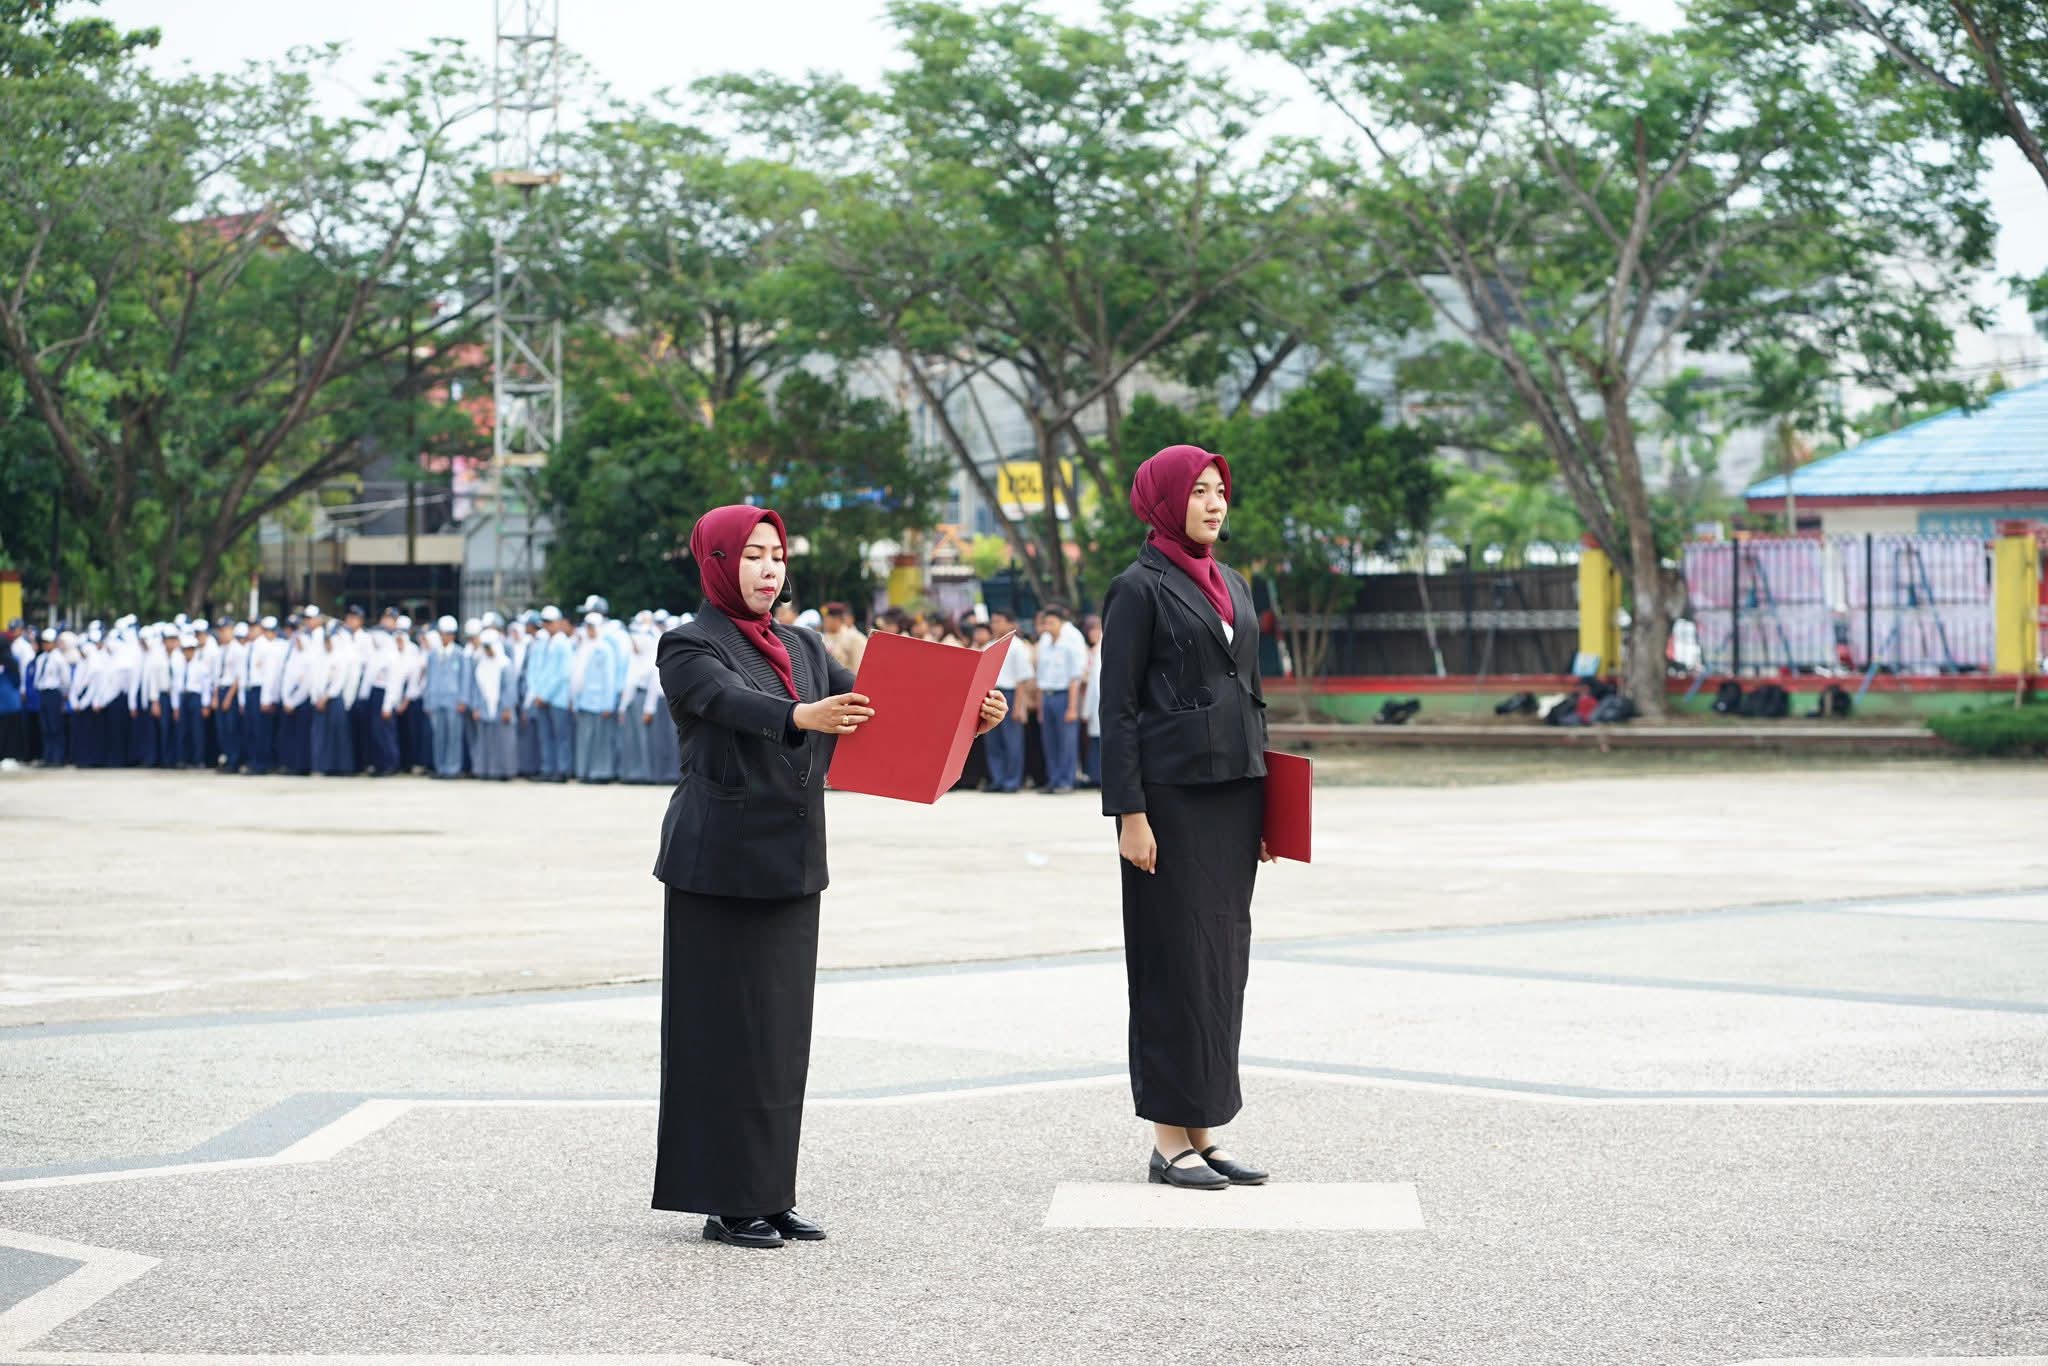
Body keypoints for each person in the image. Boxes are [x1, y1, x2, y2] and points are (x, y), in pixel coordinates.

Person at [650, 504, 1004, 1249]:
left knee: (781, 1037)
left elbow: (883, 705)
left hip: (791, 861)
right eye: (750, 555)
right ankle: (724, 1199)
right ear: (717, 563)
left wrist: (970, 711)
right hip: (715, 866)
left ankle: (769, 1193)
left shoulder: (804, 642)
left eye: (777, 555)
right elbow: (726, 703)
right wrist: (800, 716)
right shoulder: (688, 645)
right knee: (721, 1034)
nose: (769, 569)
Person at [1098, 443, 1275, 1193]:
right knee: (1173, 961)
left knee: (1219, 963)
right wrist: (1129, 814)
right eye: (1198, 491)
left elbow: (1252, 694)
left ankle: (1203, 1131)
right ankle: (1168, 1137)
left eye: (1219, 490)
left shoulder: (1232, 582)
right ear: (1165, 500)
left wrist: (1269, 807)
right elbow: (1120, 711)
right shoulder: (1137, 589)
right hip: (1168, 804)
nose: (1213, 502)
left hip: (1234, 799)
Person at [1033, 604, 1086, 794]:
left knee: (1066, 741)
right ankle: (1053, 779)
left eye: (1051, 623)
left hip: (1064, 695)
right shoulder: (1045, 641)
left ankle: (1066, 780)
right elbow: (1040, 676)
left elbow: (1075, 677)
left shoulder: (1071, 640)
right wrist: (1040, 706)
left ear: (1061, 623)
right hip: (1047, 695)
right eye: (1045, 623)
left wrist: (1072, 707)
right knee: (1050, 741)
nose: (1047, 626)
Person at [984, 608, 1033, 793]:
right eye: (993, 621)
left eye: (999, 621)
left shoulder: (1017, 646)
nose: (995, 624)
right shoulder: (988, 645)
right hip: (989, 694)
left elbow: (1022, 679)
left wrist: (1019, 706)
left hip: (1010, 694)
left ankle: (1012, 781)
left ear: (1010, 623)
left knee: (1012, 741)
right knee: (993, 741)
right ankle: (997, 778)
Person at [819, 602, 866, 673]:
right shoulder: (824, 638)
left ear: (837, 619)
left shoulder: (854, 638)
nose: (824, 623)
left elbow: (859, 669)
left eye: (826, 619)